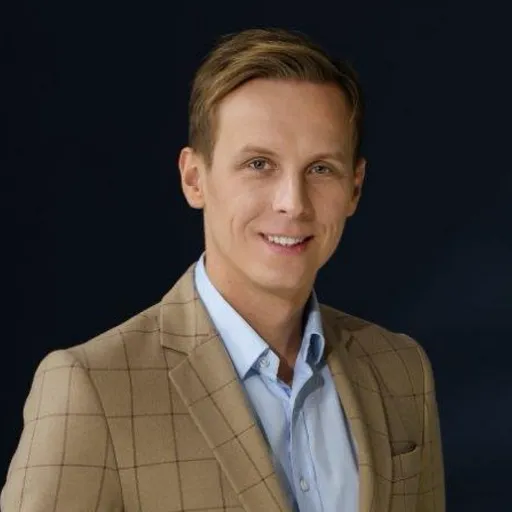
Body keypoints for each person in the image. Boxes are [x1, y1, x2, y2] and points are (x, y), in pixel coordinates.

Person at [1, 28, 445, 512]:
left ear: (355, 187)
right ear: (195, 179)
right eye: (259, 164)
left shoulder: (401, 370)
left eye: (320, 168)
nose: (293, 203)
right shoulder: (93, 388)